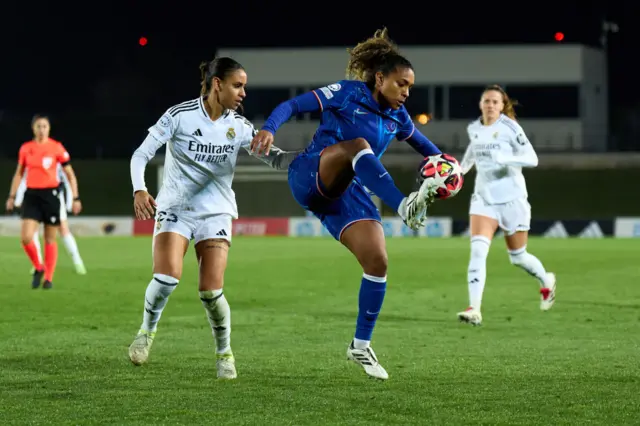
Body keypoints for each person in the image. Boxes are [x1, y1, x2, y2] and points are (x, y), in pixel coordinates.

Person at [250, 28, 443, 380]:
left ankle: (359, 345)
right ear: (380, 78)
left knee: (378, 262)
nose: (406, 92)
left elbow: (432, 152)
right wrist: (270, 128)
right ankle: (404, 207)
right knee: (355, 147)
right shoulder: (347, 92)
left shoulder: (398, 118)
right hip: (311, 174)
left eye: (410, 87)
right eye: (401, 84)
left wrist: (451, 168)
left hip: (347, 193)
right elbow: (293, 105)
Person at [127, 57, 297, 379]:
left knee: (211, 291)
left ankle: (224, 354)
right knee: (166, 279)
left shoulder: (241, 127)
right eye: (237, 85)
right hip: (175, 208)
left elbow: (276, 162)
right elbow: (141, 154)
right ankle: (146, 334)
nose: (243, 92)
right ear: (217, 84)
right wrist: (140, 189)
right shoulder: (179, 116)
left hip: (216, 212)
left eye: (244, 86)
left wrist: (310, 160)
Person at [456, 84, 556, 326]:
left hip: (512, 199)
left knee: (518, 257)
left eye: (495, 102)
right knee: (478, 251)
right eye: (486, 101)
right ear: (481, 104)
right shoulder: (474, 129)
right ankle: (475, 309)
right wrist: (456, 172)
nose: (490, 105)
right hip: (483, 199)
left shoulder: (510, 128)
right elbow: (472, 155)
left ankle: (547, 280)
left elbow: (532, 159)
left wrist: (506, 158)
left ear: (502, 106)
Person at [5, 115, 82, 289]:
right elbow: (19, 173)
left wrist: (75, 197)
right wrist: (12, 196)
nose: (41, 129)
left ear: (49, 128)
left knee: (50, 238)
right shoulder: (26, 148)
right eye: (38, 126)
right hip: (32, 195)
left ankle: (48, 278)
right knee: (26, 237)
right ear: (33, 128)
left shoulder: (56, 148)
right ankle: (39, 267)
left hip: (51, 196)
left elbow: (70, 174)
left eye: (44, 126)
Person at [15, 163, 87, 275]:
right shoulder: (32, 156)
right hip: (34, 198)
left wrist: (71, 200)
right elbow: (24, 178)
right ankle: (38, 264)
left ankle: (78, 262)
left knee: (63, 229)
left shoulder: (56, 157)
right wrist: (18, 198)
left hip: (54, 198)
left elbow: (67, 179)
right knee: (32, 229)